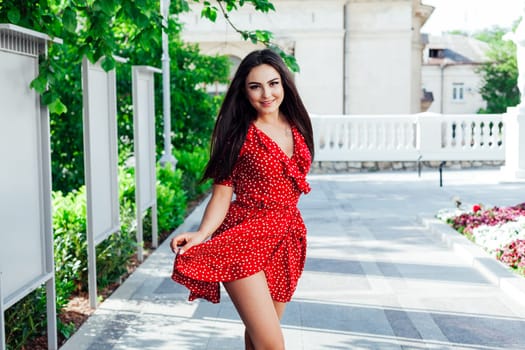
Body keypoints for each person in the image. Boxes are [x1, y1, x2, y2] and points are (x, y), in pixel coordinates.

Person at [170, 48, 314, 350]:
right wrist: (203, 233)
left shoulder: (298, 126)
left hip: (287, 236)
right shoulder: (238, 134)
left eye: (273, 83)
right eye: (255, 86)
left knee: (259, 338)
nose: (266, 94)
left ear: (284, 84)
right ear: (244, 90)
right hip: (244, 237)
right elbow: (222, 194)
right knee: (272, 344)